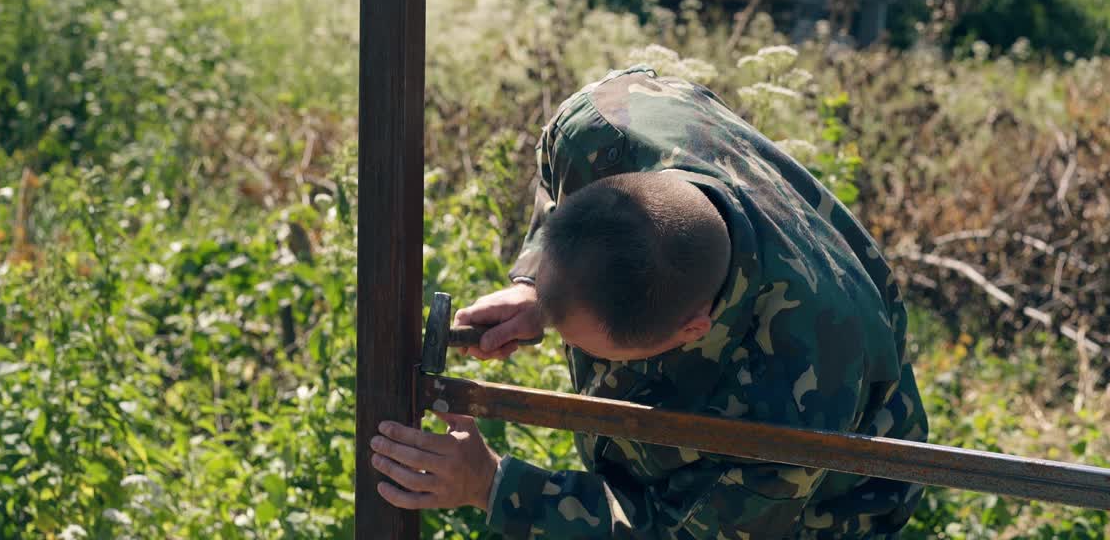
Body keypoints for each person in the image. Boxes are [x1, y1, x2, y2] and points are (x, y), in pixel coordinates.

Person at [370, 63, 929, 538]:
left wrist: (492, 484)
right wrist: (536, 290)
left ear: (692, 329)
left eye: (599, 354)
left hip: (821, 507)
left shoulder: (801, 388)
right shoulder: (601, 131)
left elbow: (684, 532)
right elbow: (555, 178)